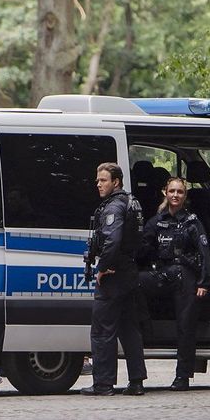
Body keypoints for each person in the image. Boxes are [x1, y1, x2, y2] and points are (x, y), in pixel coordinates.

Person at [137, 176, 210, 391]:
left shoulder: (192, 222)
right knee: (133, 284)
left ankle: (182, 377)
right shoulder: (156, 221)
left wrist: (204, 283)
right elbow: (143, 249)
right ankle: (146, 329)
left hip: (186, 277)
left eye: (180, 192)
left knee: (185, 327)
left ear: (185, 196)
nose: (175, 195)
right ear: (165, 193)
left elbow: (204, 253)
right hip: (162, 274)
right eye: (172, 191)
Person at [82, 162, 148, 396]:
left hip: (114, 274)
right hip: (129, 271)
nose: (98, 184)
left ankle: (103, 384)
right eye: (98, 180)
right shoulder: (132, 202)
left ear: (116, 182)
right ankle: (137, 382)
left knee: (102, 330)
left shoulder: (114, 206)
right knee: (129, 329)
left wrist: (102, 267)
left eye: (103, 180)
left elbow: (112, 240)